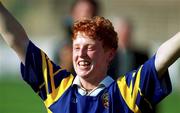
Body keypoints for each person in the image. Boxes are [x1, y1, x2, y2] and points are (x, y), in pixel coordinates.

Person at [0, 2, 180, 113]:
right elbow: (19, 41)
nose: (81, 54)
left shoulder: (126, 94)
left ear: (109, 54)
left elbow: (162, 57)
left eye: (90, 48)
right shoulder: (57, 87)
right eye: (77, 47)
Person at [54, 0, 100, 75]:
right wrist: (65, 64)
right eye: (79, 12)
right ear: (72, 15)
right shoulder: (62, 47)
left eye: (88, 12)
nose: (84, 16)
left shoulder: (106, 47)